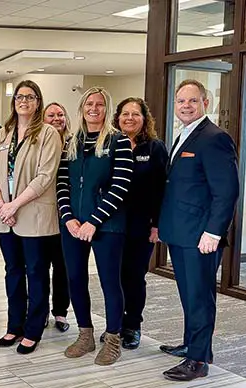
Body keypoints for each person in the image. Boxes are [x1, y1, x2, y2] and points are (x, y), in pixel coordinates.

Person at [158, 79, 238, 381]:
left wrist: (214, 232)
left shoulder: (214, 137)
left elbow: (227, 191)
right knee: (189, 294)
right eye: (181, 101)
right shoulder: (184, 135)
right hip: (180, 232)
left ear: (206, 103)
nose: (186, 106)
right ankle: (193, 344)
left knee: (200, 296)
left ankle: (198, 361)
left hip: (200, 236)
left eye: (193, 101)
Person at [56, 87, 133, 365]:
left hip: (107, 226)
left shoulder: (118, 140)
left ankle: (113, 339)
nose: (94, 108)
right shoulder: (71, 142)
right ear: (82, 107)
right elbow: (62, 183)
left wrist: (94, 221)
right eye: (89, 103)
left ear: (106, 108)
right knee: (75, 279)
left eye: (100, 104)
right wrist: (68, 217)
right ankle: (85, 334)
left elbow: (120, 186)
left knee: (110, 282)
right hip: (74, 226)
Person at [0, 80, 62, 354]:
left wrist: (14, 205)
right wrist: (1, 205)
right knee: (13, 273)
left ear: (38, 101)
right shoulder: (3, 133)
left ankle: (33, 329)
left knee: (37, 273)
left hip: (33, 216)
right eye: (19, 97)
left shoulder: (49, 133)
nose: (24, 101)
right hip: (5, 216)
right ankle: (14, 325)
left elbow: (44, 177)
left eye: (30, 97)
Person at [111, 97, 168, 349]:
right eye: (125, 114)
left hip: (141, 225)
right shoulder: (110, 144)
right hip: (112, 224)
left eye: (135, 114)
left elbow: (163, 189)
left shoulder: (154, 148)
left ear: (145, 119)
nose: (129, 118)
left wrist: (158, 224)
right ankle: (115, 325)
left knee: (134, 276)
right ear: (117, 118)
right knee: (113, 277)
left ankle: (132, 326)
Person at [42, 102, 72, 332]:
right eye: (51, 115)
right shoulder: (38, 144)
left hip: (67, 217)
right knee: (39, 267)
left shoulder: (73, 144)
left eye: (60, 114)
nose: (56, 118)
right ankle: (39, 312)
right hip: (42, 216)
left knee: (63, 268)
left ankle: (60, 313)